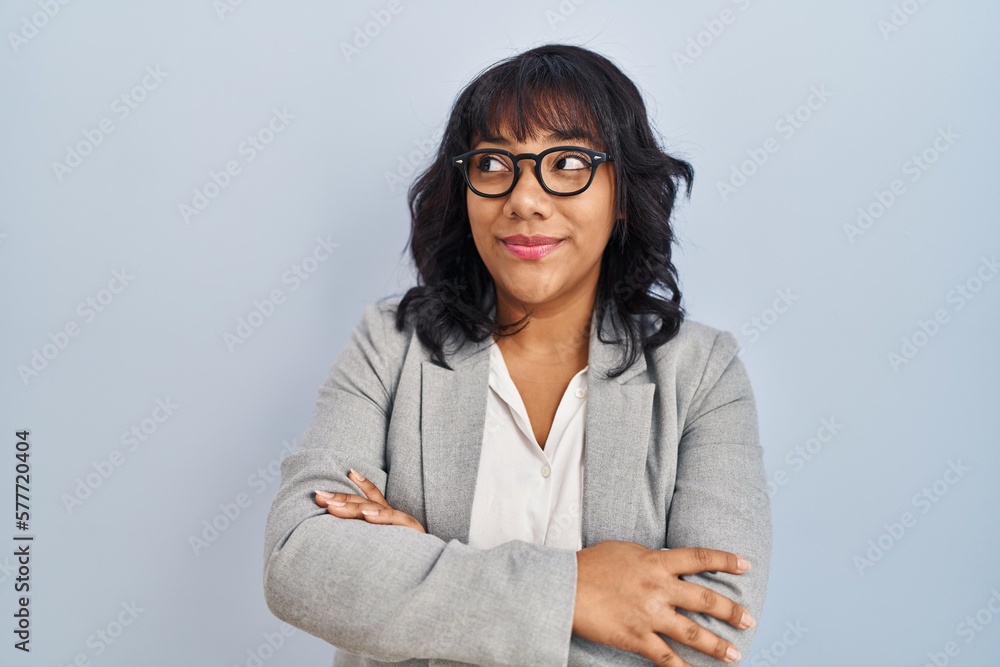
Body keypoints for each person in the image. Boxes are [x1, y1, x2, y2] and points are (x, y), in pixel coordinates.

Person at [263, 43, 772, 666]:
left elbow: (704, 632)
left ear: (622, 190)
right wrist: (579, 591)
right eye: (495, 163)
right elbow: (300, 561)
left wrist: (422, 579)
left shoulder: (704, 374)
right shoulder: (390, 345)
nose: (524, 199)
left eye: (566, 162)